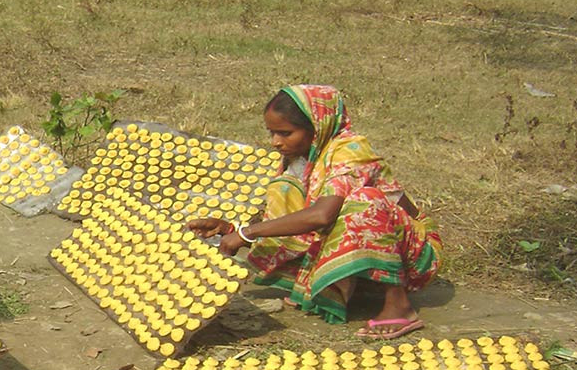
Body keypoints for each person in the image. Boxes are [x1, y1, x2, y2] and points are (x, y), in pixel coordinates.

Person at [188, 84, 442, 339]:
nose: (275, 142)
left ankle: (398, 305)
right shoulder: (306, 159)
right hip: (370, 250)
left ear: (316, 127)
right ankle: (332, 284)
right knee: (285, 189)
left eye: (285, 133)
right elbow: (291, 219)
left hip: (411, 256)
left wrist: (247, 233)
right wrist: (231, 230)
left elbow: (322, 216)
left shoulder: (351, 152)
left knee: (365, 202)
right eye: (272, 132)